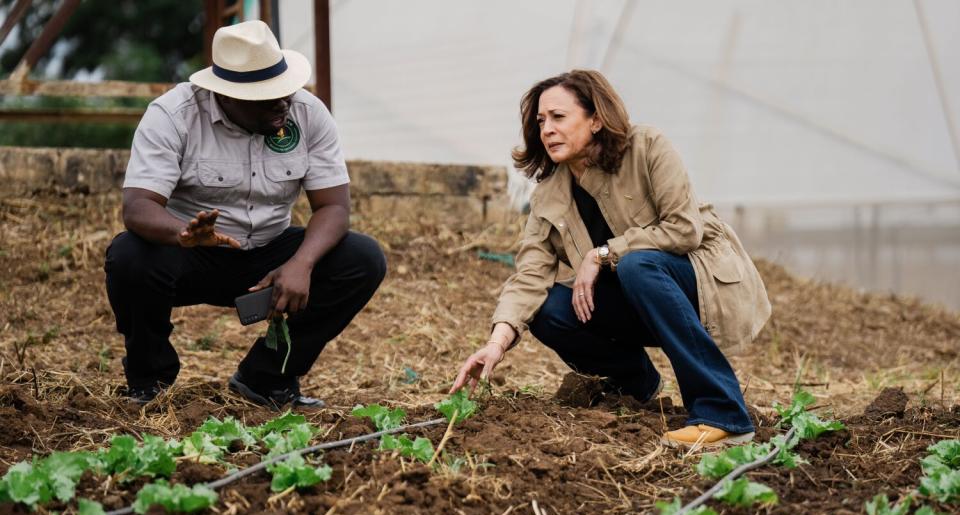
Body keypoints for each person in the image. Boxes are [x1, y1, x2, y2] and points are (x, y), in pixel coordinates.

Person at [451, 70, 770, 449]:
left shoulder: (648, 147)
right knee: (549, 307)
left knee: (637, 265)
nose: (547, 130)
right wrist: (497, 342)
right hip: (641, 299)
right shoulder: (549, 196)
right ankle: (633, 386)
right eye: (540, 121)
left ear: (596, 119)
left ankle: (724, 415)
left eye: (558, 117)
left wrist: (603, 254)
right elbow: (529, 277)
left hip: (701, 286)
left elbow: (685, 230)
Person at [105, 20, 386, 407]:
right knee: (130, 256)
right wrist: (183, 234)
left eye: (284, 91)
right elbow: (137, 206)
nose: (283, 103)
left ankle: (267, 378)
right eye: (267, 98)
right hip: (193, 252)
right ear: (226, 96)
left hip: (271, 255)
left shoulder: (307, 113)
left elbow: (334, 207)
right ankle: (150, 381)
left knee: (362, 259)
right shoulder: (174, 114)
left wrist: (301, 263)